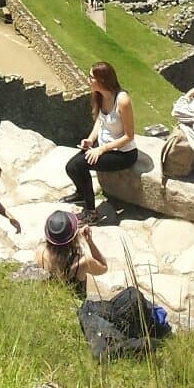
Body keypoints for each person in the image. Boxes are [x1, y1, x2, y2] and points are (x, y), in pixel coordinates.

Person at [64, 63, 137, 214]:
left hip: (123, 153)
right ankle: (81, 193)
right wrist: (90, 140)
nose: (88, 80)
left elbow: (129, 136)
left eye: (91, 77)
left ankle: (90, 211)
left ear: (102, 80)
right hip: (105, 147)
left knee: (80, 165)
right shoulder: (100, 96)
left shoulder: (122, 100)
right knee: (70, 167)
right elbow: (100, 120)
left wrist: (101, 149)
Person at [37, 208, 108, 292]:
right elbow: (104, 268)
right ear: (74, 236)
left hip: (50, 297)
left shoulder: (40, 251)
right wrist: (90, 242)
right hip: (74, 301)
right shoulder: (82, 262)